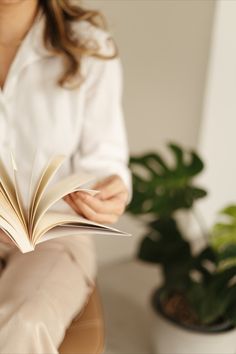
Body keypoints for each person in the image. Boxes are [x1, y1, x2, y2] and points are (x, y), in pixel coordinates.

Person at [0, 0, 131, 353]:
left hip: (53, 235)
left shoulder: (90, 48)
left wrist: (111, 191)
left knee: (23, 324)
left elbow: (106, 161)